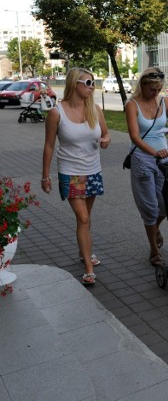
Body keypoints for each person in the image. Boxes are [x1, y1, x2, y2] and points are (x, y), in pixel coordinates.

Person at [41, 67, 111, 286]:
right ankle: (88, 268)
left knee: (86, 219)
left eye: (93, 83)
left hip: (93, 171)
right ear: (74, 84)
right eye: (87, 83)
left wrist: (106, 140)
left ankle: (84, 251)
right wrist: (45, 176)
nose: (91, 87)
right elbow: (49, 146)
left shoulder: (95, 110)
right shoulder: (56, 113)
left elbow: (106, 133)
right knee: (83, 219)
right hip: (70, 173)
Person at [125, 68, 168, 266]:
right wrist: (154, 152)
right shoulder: (132, 105)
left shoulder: (164, 101)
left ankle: (155, 228)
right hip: (143, 159)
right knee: (150, 207)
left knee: (167, 204)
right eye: (152, 89)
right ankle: (154, 250)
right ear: (142, 86)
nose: (155, 93)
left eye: (158, 89)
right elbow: (134, 136)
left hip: (164, 159)